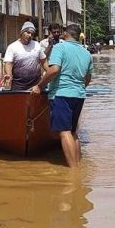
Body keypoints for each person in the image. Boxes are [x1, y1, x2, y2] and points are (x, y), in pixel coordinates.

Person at [31, 24, 92, 168]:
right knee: (73, 132)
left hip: (61, 94)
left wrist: (39, 86)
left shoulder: (60, 48)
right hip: (79, 95)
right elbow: (88, 78)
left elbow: (54, 70)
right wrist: (78, 87)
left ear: (66, 34)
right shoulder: (86, 53)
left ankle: (73, 171)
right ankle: (77, 166)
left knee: (64, 133)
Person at [3, 21, 47, 91]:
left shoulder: (37, 45)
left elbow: (44, 61)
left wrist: (50, 73)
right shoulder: (12, 47)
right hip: (18, 87)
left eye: (32, 34)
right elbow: (8, 63)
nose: (30, 35)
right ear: (22, 32)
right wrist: (8, 74)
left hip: (36, 86)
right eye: (28, 32)